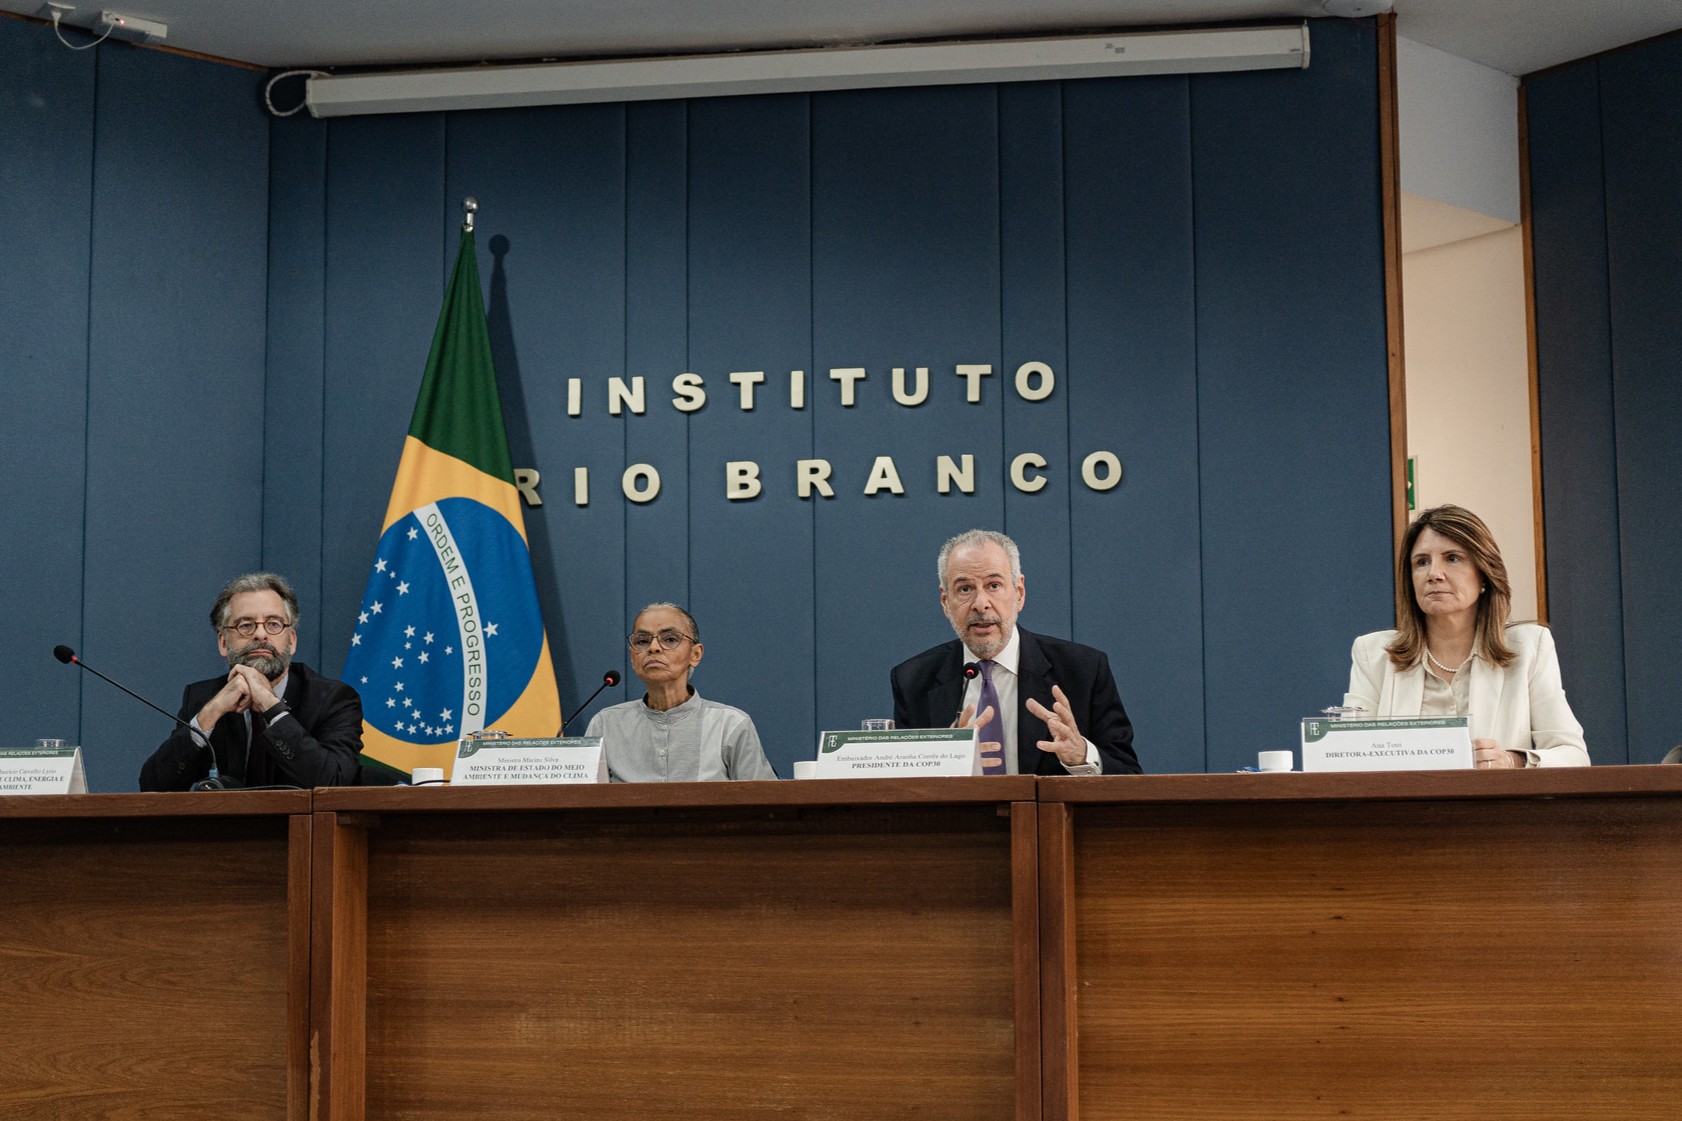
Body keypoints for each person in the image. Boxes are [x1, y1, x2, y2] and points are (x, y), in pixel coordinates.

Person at [1344, 505, 1589, 768]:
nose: (1434, 574)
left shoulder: (1529, 646)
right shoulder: (1373, 653)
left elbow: (1574, 755)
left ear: (1483, 573)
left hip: (1493, 808)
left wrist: (1512, 760)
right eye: (1422, 562)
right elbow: (1349, 758)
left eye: (1452, 558)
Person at [890, 529, 1141, 775]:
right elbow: (901, 792)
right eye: (965, 589)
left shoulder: (1083, 670)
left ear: (1019, 593)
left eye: (994, 585)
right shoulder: (914, 681)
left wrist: (1081, 755)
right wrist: (941, 763)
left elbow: (1130, 778)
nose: (981, 603)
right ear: (946, 602)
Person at [140, 573, 364, 790]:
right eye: (245, 625)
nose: (260, 634)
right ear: (223, 643)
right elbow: (154, 786)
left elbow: (334, 783)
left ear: (292, 641)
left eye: (273, 624)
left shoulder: (334, 699)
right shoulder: (203, 698)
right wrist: (211, 712)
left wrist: (270, 705)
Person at [584, 602, 777, 782]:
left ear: (695, 654)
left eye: (669, 639)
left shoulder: (730, 725)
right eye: (642, 641)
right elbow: (582, 804)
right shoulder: (605, 725)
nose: (653, 648)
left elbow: (766, 803)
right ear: (633, 658)